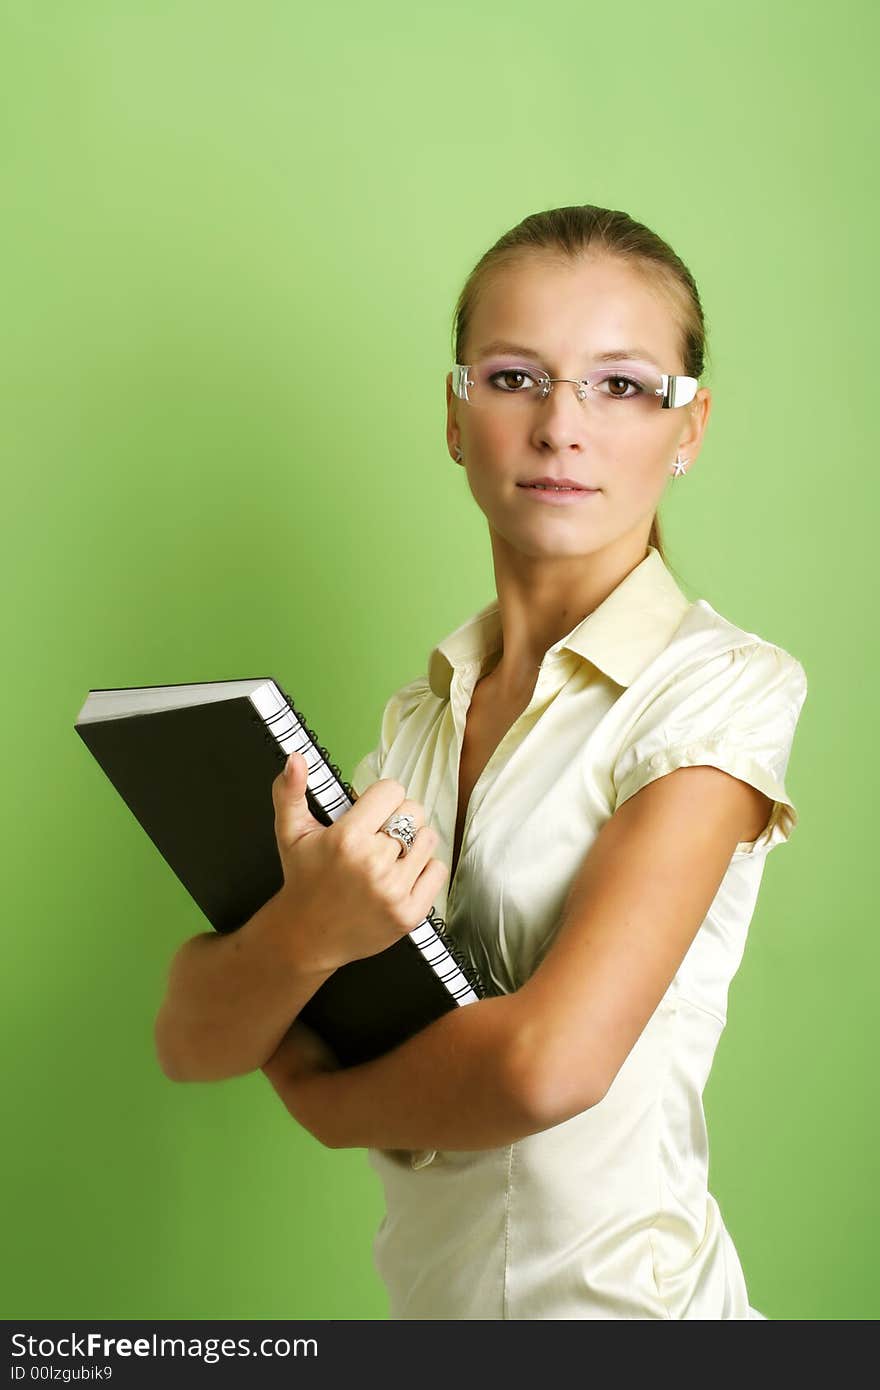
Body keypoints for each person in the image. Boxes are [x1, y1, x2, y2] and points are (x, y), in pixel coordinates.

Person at [155, 205, 808, 1320]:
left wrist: (321, 1096)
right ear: (457, 418)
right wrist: (307, 932)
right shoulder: (416, 719)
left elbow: (547, 1064)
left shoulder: (721, 686)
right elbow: (191, 1035)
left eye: (621, 385)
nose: (561, 426)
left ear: (689, 427)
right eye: (514, 377)